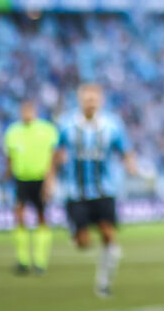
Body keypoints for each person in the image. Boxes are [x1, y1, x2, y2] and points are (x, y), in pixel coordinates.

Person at [48, 83, 138, 297]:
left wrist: (131, 164)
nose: (90, 103)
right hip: (75, 192)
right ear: (80, 101)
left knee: (108, 234)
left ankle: (104, 283)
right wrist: (49, 180)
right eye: (87, 99)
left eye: (94, 99)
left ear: (100, 101)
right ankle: (76, 232)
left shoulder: (112, 125)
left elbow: (126, 149)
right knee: (83, 243)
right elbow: (54, 154)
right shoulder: (66, 125)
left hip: (105, 190)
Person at [3, 100, 58, 275]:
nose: (27, 113)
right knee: (19, 215)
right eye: (24, 110)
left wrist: (50, 181)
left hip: (41, 179)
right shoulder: (13, 132)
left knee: (41, 217)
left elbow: (53, 158)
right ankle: (23, 260)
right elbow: (9, 158)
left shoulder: (47, 130)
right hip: (21, 179)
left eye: (30, 110)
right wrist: (6, 176)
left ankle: (40, 262)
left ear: (35, 111)